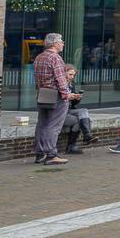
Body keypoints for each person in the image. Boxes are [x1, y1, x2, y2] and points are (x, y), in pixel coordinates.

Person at [33, 33, 79, 165]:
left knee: (41, 124)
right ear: (55, 43)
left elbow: (37, 80)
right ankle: (51, 154)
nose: (63, 44)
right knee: (53, 126)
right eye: (61, 41)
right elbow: (61, 80)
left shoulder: (39, 57)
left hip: (43, 94)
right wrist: (67, 95)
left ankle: (39, 153)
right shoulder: (56, 58)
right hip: (56, 96)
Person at [62, 64, 96, 154]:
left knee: (84, 110)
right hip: (60, 112)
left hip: (68, 110)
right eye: (70, 74)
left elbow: (73, 104)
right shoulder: (60, 84)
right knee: (78, 120)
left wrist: (77, 98)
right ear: (63, 73)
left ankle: (87, 135)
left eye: (73, 75)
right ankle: (71, 146)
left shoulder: (71, 84)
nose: (72, 77)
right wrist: (69, 97)